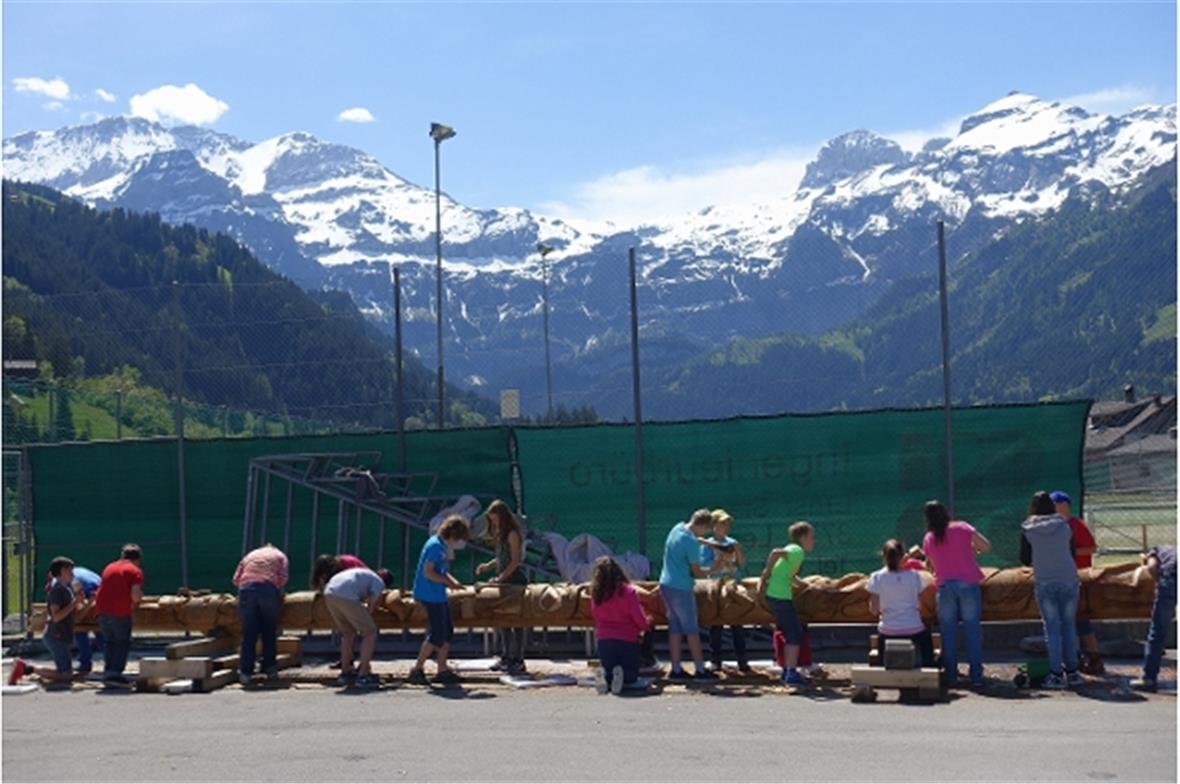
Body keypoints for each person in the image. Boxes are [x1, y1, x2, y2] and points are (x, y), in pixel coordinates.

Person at [922, 501, 990, 687]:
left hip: (944, 586)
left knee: (947, 632)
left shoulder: (929, 538)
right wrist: (971, 550)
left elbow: (931, 564)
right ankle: (976, 676)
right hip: (968, 584)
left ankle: (951, 675)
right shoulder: (962, 527)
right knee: (972, 630)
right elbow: (986, 546)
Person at [1020, 491, 1083, 689]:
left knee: (1052, 628)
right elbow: (1072, 553)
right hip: (1069, 579)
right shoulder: (1064, 525)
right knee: (1069, 625)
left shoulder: (1028, 529)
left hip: (1045, 580)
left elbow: (1024, 558)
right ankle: (1073, 672)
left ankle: (1056, 673)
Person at [658, 508, 724, 680]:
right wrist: (715, 568)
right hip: (681, 588)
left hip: (666, 584)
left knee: (675, 628)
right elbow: (697, 572)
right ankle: (700, 670)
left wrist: (710, 544)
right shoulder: (691, 543)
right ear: (703, 526)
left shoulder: (677, 528)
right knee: (691, 630)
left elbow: (695, 538)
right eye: (706, 530)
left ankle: (676, 669)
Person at [408, 515, 470, 685]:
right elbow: (428, 572)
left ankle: (442, 669)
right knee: (436, 633)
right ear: (453, 535)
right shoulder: (435, 546)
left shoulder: (441, 545)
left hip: (438, 594)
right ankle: (417, 669)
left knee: (447, 631)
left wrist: (453, 582)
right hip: (429, 594)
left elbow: (440, 570)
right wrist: (447, 582)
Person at [10, 556, 85, 686]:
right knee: (66, 675)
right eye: (69, 570)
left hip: (61, 635)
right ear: (62, 571)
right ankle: (26, 668)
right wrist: (74, 603)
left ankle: (27, 668)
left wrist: (82, 603)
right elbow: (56, 617)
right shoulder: (57, 591)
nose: (72, 574)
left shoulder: (66, 589)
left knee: (66, 672)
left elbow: (72, 613)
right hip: (56, 635)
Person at [1051, 490, 1103, 674]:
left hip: (1079, 577)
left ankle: (1094, 657)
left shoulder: (1076, 525)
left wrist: (1068, 552)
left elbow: (1091, 548)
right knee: (1067, 622)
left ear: (1064, 505)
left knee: (1081, 620)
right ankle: (1076, 656)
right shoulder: (1052, 527)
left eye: (1054, 504)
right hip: (1061, 578)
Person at [759, 521, 816, 686]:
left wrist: (803, 584)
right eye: (812, 537)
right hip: (780, 596)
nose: (814, 540)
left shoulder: (792, 549)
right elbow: (775, 553)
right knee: (794, 634)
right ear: (803, 538)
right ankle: (791, 673)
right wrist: (766, 574)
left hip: (775, 595)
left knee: (789, 632)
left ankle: (787, 671)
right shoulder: (797, 551)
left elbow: (788, 575)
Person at [476, 499, 529, 675]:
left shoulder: (512, 534)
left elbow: (515, 561)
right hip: (503, 583)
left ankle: (518, 659)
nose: (494, 523)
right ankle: (506, 656)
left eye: (495, 519)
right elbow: (501, 557)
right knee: (502, 620)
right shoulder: (500, 534)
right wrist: (488, 566)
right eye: (491, 520)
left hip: (515, 582)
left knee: (517, 622)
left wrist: (500, 578)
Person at [866, 539, 936, 667]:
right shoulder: (915, 576)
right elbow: (920, 605)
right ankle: (929, 666)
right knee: (926, 640)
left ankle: (882, 666)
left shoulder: (876, 577)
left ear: (883, 556)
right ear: (903, 556)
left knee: (881, 638)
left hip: (888, 630)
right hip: (914, 628)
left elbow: (873, 610)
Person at [590, 556, 652, 695]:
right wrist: (647, 624)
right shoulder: (628, 592)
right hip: (627, 640)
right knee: (631, 675)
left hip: (604, 640)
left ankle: (606, 676)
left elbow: (595, 615)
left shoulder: (596, 594)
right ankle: (624, 677)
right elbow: (639, 619)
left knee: (609, 667)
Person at [233, 542, 289, 686]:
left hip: (246, 590)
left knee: (249, 634)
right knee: (268, 631)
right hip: (267, 589)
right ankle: (270, 669)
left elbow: (236, 579)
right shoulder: (280, 556)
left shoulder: (250, 555)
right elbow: (283, 578)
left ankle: (245, 673)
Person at [700, 509, 749, 672]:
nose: (726, 526)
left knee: (737, 625)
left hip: (732, 585)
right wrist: (718, 561)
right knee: (716, 625)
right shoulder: (707, 544)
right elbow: (704, 565)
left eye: (727, 524)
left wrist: (738, 552)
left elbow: (741, 564)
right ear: (713, 525)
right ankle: (715, 661)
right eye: (722, 523)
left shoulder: (733, 542)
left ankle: (742, 661)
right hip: (716, 587)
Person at [322, 566, 385, 689]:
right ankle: (363, 675)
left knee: (348, 633)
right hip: (346, 594)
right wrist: (368, 614)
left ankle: (345, 673)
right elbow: (371, 604)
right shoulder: (379, 582)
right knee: (370, 632)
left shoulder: (364, 575)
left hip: (329, 592)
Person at [93, 544, 144, 687]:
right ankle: (115, 674)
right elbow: (135, 596)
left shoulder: (109, 567)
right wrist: (140, 596)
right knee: (122, 642)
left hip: (101, 610)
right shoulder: (135, 571)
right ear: (138, 559)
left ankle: (108, 671)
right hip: (120, 611)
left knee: (110, 642)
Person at [1131, 544, 1176, 692]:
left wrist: (1159, 582)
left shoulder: (1156, 551)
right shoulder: (1171, 550)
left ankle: (1149, 679)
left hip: (1170, 578)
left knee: (1157, 632)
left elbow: (1152, 567)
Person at [69, 565, 104, 675]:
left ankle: (85, 662)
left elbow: (78, 607)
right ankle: (110, 660)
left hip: (90, 590)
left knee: (79, 628)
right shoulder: (76, 573)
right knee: (99, 628)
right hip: (98, 587)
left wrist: (86, 605)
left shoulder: (68, 580)